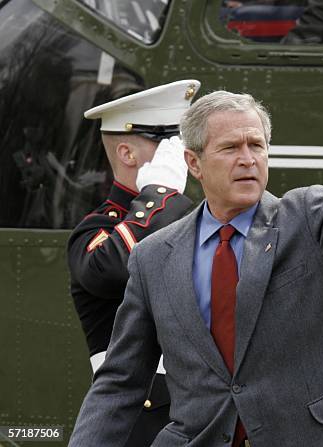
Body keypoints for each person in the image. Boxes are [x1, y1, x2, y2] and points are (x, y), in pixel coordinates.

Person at [67, 89, 323, 446]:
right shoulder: (154, 257)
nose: (247, 158)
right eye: (230, 148)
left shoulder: (308, 218)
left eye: (256, 145)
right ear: (193, 163)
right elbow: (120, 381)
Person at [67, 80, 200, 446]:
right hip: (139, 420)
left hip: (202, 410)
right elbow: (107, 269)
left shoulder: (196, 219)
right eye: (168, 141)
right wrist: (157, 195)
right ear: (127, 153)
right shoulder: (98, 230)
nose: (183, 153)